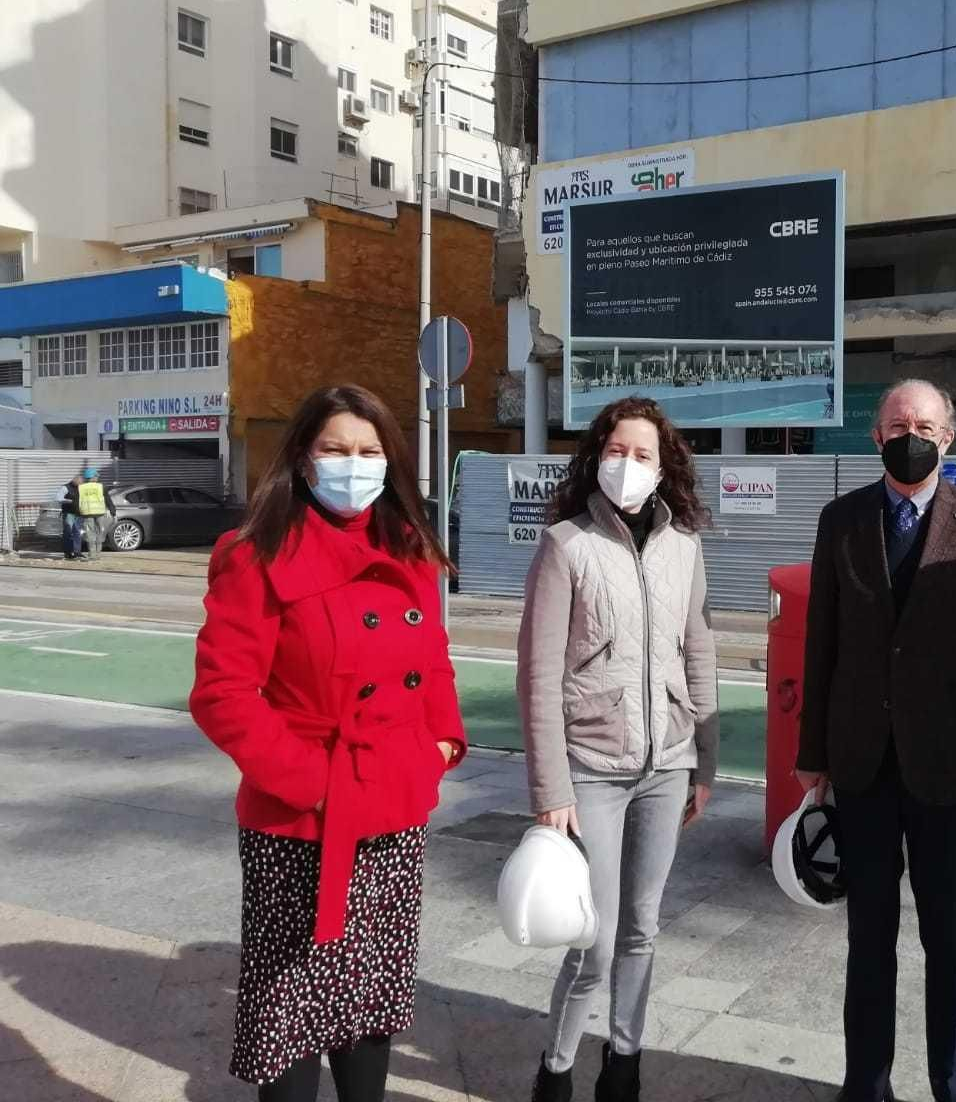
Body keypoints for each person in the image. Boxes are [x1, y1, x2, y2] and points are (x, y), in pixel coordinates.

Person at [189, 384, 465, 1102]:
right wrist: (311, 782)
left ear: (390, 462)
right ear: (304, 462)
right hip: (300, 821)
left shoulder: (410, 547)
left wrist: (439, 747)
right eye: (336, 450)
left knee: (371, 999)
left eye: (369, 451)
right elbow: (222, 695)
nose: (354, 464)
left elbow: (433, 663)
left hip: (395, 812)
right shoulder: (256, 554)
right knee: (291, 1011)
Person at [797, 378, 956, 1102]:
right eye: (898, 422)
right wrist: (813, 755)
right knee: (869, 939)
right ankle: (865, 1084)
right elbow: (822, 642)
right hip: (864, 764)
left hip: (953, 771)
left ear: (948, 437)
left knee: (947, 941)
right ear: (876, 436)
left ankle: (949, 1085)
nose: (911, 434)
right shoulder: (842, 520)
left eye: (925, 423)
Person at [519, 396, 719, 1102]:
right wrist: (551, 792)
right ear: (595, 456)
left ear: (663, 471)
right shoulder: (565, 546)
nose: (627, 465)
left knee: (642, 928)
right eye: (616, 450)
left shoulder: (684, 549)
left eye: (642, 456)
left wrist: (705, 760)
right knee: (594, 942)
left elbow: (697, 651)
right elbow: (539, 676)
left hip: (668, 763)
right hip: (590, 772)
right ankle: (557, 1065)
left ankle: (625, 1061)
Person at [74, 466, 115, 560]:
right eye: (96, 476)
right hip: (100, 513)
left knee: (90, 533)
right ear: (93, 477)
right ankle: (98, 554)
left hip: (87, 513)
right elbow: (108, 500)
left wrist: (77, 513)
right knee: (100, 532)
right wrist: (113, 511)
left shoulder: (80, 488)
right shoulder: (101, 487)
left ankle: (92, 554)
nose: (97, 477)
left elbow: (76, 502)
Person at [56, 475, 82, 560]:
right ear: (74, 480)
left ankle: (77, 552)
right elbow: (58, 498)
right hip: (68, 514)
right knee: (68, 533)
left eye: (81, 483)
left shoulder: (80, 488)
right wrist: (70, 501)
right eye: (79, 482)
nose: (80, 484)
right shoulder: (65, 487)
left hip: (77, 514)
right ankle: (68, 553)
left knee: (77, 533)